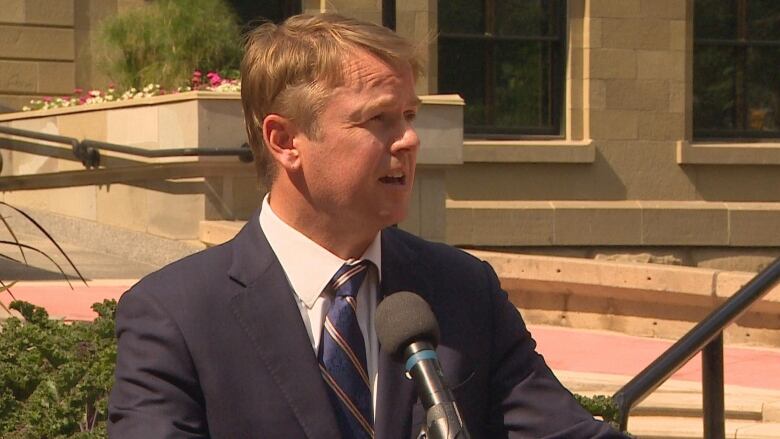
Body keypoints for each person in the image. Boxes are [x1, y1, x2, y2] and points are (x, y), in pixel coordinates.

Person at [108, 13, 626, 438]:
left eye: (410, 116)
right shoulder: (176, 315)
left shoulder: (463, 289)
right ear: (286, 140)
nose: (408, 141)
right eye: (379, 120)